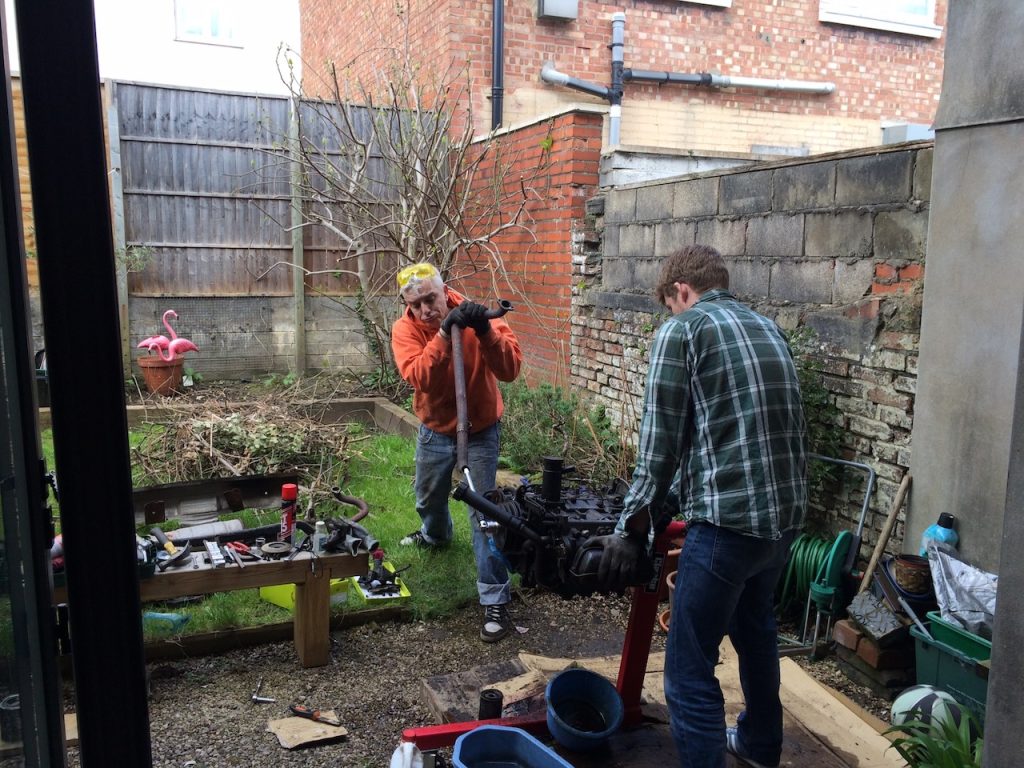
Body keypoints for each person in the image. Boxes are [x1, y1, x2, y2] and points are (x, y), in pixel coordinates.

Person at [589, 245, 807, 768]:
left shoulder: (682, 331)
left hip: (727, 528)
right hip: (783, 524)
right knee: (755, 633)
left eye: (670, 305)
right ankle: (759, 747)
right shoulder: (768, 328)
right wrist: (661, 511)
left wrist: (630, 529)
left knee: (688, 671)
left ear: (680, 291)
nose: (671, 313)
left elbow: (659, 449)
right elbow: (726, 439)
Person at [390, 262, 523, 643]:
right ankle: (435, 536)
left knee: (484, 514)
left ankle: (494, 598)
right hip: (435, 428)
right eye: (415, 304)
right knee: (428, 496)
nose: (424, 310)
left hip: (480, 431)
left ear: (444, 291)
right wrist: (443, 335)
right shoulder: (405, 330)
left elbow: (511, 369)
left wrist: (484, 331)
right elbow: (420, 377)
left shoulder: (474, 313)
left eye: (430, 300)